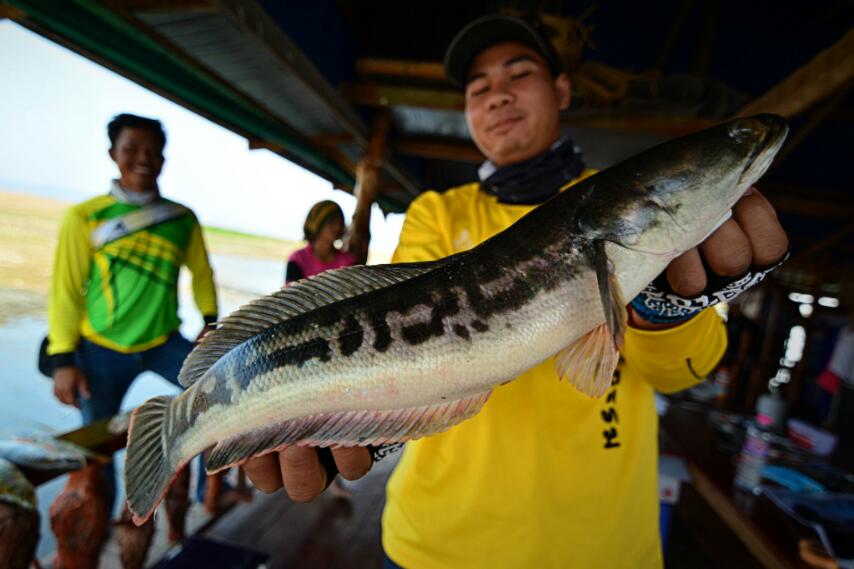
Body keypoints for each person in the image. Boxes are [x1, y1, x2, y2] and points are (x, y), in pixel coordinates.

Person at [241, 14, 789, 568]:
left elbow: (688, 370)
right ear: (469, 113)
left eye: (518, 74)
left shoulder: (625, 202)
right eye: (479, 88)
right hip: (436, 544)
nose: (497, 96)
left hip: (602, 548)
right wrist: (361, 420)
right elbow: (402, 341)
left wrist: (662, 310)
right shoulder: (437, 212)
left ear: (562, 89)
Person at [47, 113, 218, 505]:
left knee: (217, 399)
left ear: (163, 158)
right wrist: (63, 360)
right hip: (100, 350)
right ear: (113, 153)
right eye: (131, 150)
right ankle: (101, 523)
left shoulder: (182, 218)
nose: (143, 158)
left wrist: (210, 322)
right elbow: (67, 291)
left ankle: (208, 494)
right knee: (95, 448)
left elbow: (202, 274)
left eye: (153, 152)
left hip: (163, 342)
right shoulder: (84, 217)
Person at [285, 200, 357, 285]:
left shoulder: (349, 261)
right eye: (332, 223)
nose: (338, 227)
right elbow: (291, 295)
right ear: (318, 224)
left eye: (340, 223)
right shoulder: (297, 259)